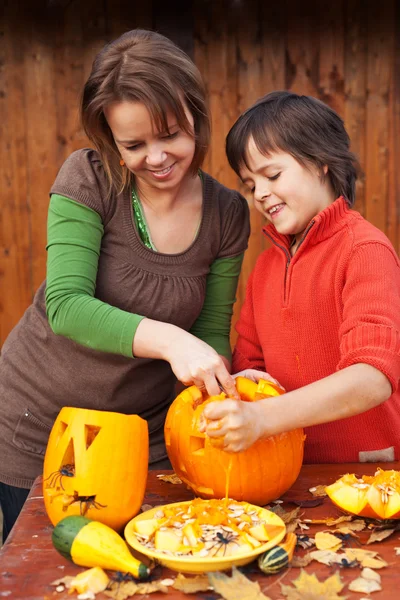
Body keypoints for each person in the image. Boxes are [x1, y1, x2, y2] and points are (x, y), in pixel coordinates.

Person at [0, 29, 250, 542]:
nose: (155, 158)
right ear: (111, 140)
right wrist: (173, 340)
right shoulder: (89, 181)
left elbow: (211, 334)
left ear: (196, 120)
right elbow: (67, 305)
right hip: (42, 429)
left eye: (171, 135)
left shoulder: (227, 213)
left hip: (149, 439)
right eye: (134, 145)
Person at [203, 91, 400, 464]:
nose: (260, 193)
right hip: (286, 472)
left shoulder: (365, 250)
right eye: (250, 184)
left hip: (368, 474)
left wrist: (263, 418)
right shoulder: (264, 269)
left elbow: (373, 376)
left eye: (272, 174)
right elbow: (249, 370)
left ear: (321, 161)